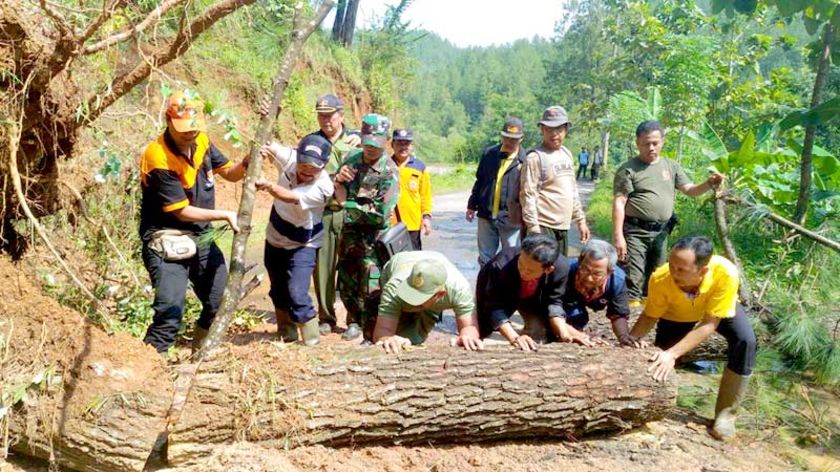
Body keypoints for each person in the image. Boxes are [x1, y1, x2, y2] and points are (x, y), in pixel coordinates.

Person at [139, 91, 248, 354]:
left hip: (202, 237)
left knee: (219, 301)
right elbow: (181, 212)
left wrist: (247, 162)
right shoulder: (157, 156)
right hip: (167, 241)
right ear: (168, 121)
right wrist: (224, 214)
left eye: (194, 128)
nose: (190, 134)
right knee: (170, 311)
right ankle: (149, 368)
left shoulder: (202, 142)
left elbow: (231, 174)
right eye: (184, 130)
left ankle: (201, 353)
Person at [628, 236, 756, 441]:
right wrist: (629, 340)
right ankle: (653, 404)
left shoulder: (726, 273)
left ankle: (726, 415)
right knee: (659, 361)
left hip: (714, 311)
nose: (673, 272)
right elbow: (650, 316)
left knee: (746, 341)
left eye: (681, 270)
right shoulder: (661, 278)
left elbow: (709, 324)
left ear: (703, 270)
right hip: (676, 314)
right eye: (671, 265)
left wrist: (672, 353)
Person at [612, 120, 724, 307]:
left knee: (658, 273)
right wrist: (618, 236)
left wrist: (709, 183)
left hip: (661, 231)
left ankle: (654, 308)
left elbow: (690, 190)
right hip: (634, 230)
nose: (651, 147)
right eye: (646, 143)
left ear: (663, 141)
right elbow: (619, 202)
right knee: (634, 274)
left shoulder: (671, 166)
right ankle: (628, 317)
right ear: (637, 143)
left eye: (655, 143)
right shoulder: (628, 169)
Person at [255, 134, 334, 346]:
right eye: (303, 164)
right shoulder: (289, 158)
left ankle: (311, 340)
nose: (307, 171)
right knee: (278, 290)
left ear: (324, 165)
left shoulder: (324, 187)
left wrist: (269, 186)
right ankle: (286, 333)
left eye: (314, 168)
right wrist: (265, 147)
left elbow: (291, 197)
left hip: (303, 243)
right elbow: (269, 142)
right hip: (275, 237)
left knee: (298, 292)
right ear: (297, 156)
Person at [334, 113, 399, 342]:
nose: (370, 149)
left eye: (376, 144)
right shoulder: (351, 160)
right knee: (346, 278)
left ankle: (371, 331)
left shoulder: (389, 172)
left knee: (372, 284)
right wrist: (338, 180)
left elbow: (380, 215)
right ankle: (353, 321)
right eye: (367, 143)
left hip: (374, 239)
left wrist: (347, 204)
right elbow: (335, 190)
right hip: (350, 236)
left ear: (385, 142)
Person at [307, 95, 362, 335]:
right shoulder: (311, 142)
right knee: (323, 267)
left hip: (352, 212)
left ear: (341, 115)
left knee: (353, 266)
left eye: (330, 115)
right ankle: (326, 317)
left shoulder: (357, 140)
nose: (326, 120)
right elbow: (304, 176)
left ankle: (354, 318)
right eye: (321, 115)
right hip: (324, 211)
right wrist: (333, 179)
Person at [372, 251, 484, 354]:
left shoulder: (460, 290)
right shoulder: (394, 288)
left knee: (417, 337)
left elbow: (469, 326)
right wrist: (387, 339)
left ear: (440, 294)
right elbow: (383, 331)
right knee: (397, 341)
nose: (411, 300)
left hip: (438, 284)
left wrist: (467, 337)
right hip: (399, 263)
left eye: (419, 298)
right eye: (410, 293)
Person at [519, 106, 590, 256]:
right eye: (549, 129)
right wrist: (533, 229)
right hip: (542, 226)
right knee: (541, 275)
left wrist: (580, 220)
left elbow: (572, 190)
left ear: (566, 130)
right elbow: (527, 195)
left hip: (562, 227)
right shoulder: (535, 158)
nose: (554, 134)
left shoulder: (566, 154)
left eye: (558, 129)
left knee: (559, 273)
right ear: (542, 130)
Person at [467, 117, 526, 267]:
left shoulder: (526, 160)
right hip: (486, 215)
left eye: (514, 139)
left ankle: (508, 289)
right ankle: (485, 287)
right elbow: (480, 181)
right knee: (485, 258)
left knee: (512, 258)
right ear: (501, 136)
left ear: (521, 139)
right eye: (506, 138)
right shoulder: (489, 154)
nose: (509, 142)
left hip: (511, 218)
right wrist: (471, 205)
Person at [390, 128, 432, 250]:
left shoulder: (419, 167)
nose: (403, 147)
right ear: (392, 145)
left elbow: (425, 195)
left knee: (412, 260)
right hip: (389, 224)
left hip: (412, 224)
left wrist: (426, 217)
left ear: (411, 146)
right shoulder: (385, 165)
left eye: (406, 144)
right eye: (399, 143)